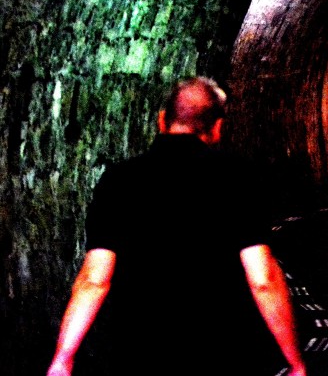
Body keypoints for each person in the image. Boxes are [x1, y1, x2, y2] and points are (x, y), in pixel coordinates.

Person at [45, 77, 307, 376]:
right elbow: (262, 278)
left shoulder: (120, 180)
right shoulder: (238, 177)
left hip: (138, 352)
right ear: (218, 126)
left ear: (161, 120)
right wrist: (294, 361)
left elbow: (94, 279)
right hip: (223, 352)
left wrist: (63, 357)